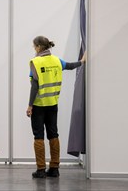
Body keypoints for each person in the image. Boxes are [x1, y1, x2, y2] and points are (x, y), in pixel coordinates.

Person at [26, 36, 86, 178]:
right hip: (53, 104)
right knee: (53, 134)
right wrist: (82, 62)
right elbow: (70, 66)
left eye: (34, 46)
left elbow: (35, 86)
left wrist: (30, 105)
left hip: (39, 105)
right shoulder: (57, 60)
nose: (34, 49)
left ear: (39, 47)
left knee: (38, 136)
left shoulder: (35, 62)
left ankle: (41, 169)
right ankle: (54, 168)